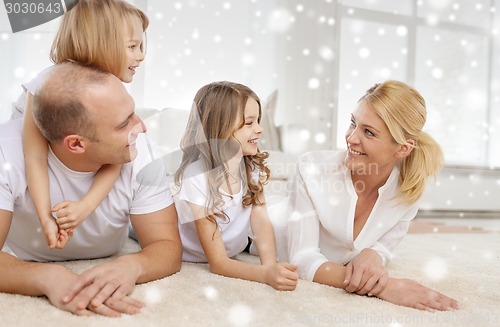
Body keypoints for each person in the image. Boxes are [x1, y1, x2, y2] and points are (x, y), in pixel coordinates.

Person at [0, 62, 182, 317]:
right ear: (75, 144)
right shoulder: (5, 152)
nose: (141, 127)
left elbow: (167, 245)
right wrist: (46, 277)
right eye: (123, 124)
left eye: (133, 112)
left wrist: (134, 265)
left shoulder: (141, 152)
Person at [287, 80, 460, 311]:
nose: (351, 138)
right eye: (353, 123)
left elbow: (385, 247)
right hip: (250, 233)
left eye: (368, 132)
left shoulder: (409, 190)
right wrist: (383, 287)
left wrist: (373, 254)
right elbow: (302, 258)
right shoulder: (311, 168)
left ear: (402, 149)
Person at [10, 0, 148, 249]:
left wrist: (86, 206)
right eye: (132, 46)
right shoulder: (46, 86)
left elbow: (116, 156)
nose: (140, 55)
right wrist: (45, 217)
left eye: (141, 45)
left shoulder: (110, 91)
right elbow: (35, 157)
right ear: (101, 44)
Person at [173, 81, 298, 291]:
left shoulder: (251, 169)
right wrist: (264, 275)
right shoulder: (196, 177)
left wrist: (270, 265)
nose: (259, 129)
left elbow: (261, 221)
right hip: (192, 253)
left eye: (258, 120)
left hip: (232, 250)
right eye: (249, 123)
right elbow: (219, 263)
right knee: (143, 229)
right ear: (219, 129)